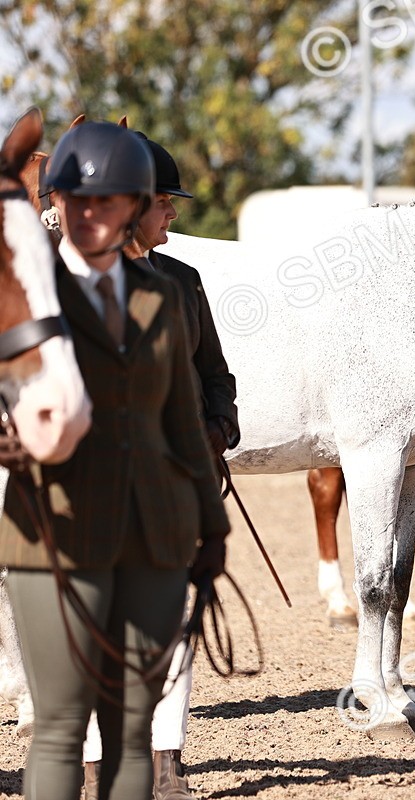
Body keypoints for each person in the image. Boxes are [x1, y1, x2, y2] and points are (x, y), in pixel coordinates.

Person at [0, 121, 229, 800]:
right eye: (78, 200)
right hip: (55, 532)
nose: (93, 214)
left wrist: (210, 529)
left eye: (112, 201)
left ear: (135, 205)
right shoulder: (25, 283)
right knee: (63, 726)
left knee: (132, 729)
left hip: (155, 533)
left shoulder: (165, 294)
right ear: (57, 203)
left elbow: (185, 419)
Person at [79, 132, 239, 800]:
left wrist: (217, 429)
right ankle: (94, 762)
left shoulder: (185, 281)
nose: (175, 214)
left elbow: (217, 376)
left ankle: (167, 758)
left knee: (175, 624)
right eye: (165, 203)